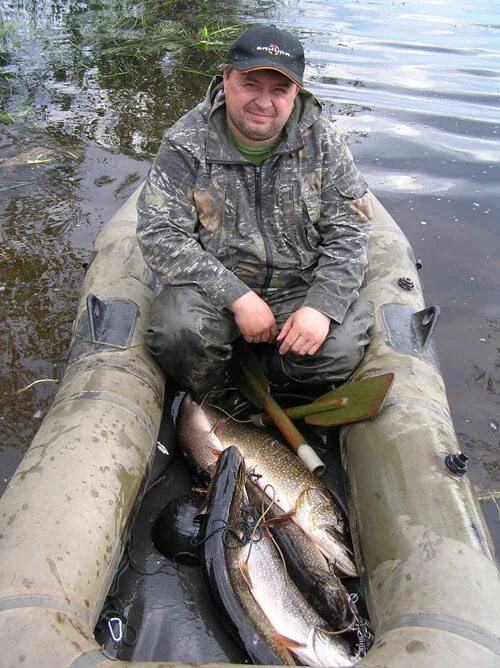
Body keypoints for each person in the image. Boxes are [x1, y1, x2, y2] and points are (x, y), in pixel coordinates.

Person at [137, 25, 374, 400]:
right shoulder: (185, 142)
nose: (264, 102)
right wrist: (239, 297)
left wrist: (320, 306)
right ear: (227, 78)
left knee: (340, 349)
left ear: (295, 92)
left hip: (297, 289)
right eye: (251, 84)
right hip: (215, 295)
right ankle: (213, 394)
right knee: (177, 330)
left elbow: (350, 233)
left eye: (279, 90)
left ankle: (273, 383)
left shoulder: (324, 142)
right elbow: (160, 236)